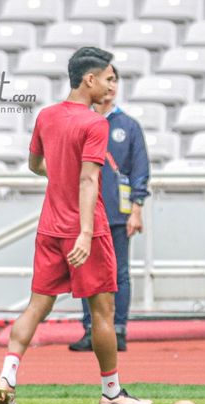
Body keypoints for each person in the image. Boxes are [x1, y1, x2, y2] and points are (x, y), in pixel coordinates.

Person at [0, 47, 152, 404]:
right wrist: (83, 231)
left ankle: (7, 375)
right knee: (103, 312)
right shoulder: (96, 123)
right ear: (89, 79)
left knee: (36, 307)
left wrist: (56, 173)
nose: (110, 87)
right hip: (87, 232)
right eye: (108, 79)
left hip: (49, 227)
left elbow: (35, 165)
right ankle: (111, 392)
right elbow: (88, 181)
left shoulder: (47, 117)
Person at [69, 65, 151, 352]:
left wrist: (137, 210)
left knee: (120, 273)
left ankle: (118, 330)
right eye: (108, 79)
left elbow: (140, 170)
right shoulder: (80, 123)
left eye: (115, 80)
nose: (112, 85)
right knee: (85, 272)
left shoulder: (128, 126)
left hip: (118, 212)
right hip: (85, 212)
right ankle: (91, 329)